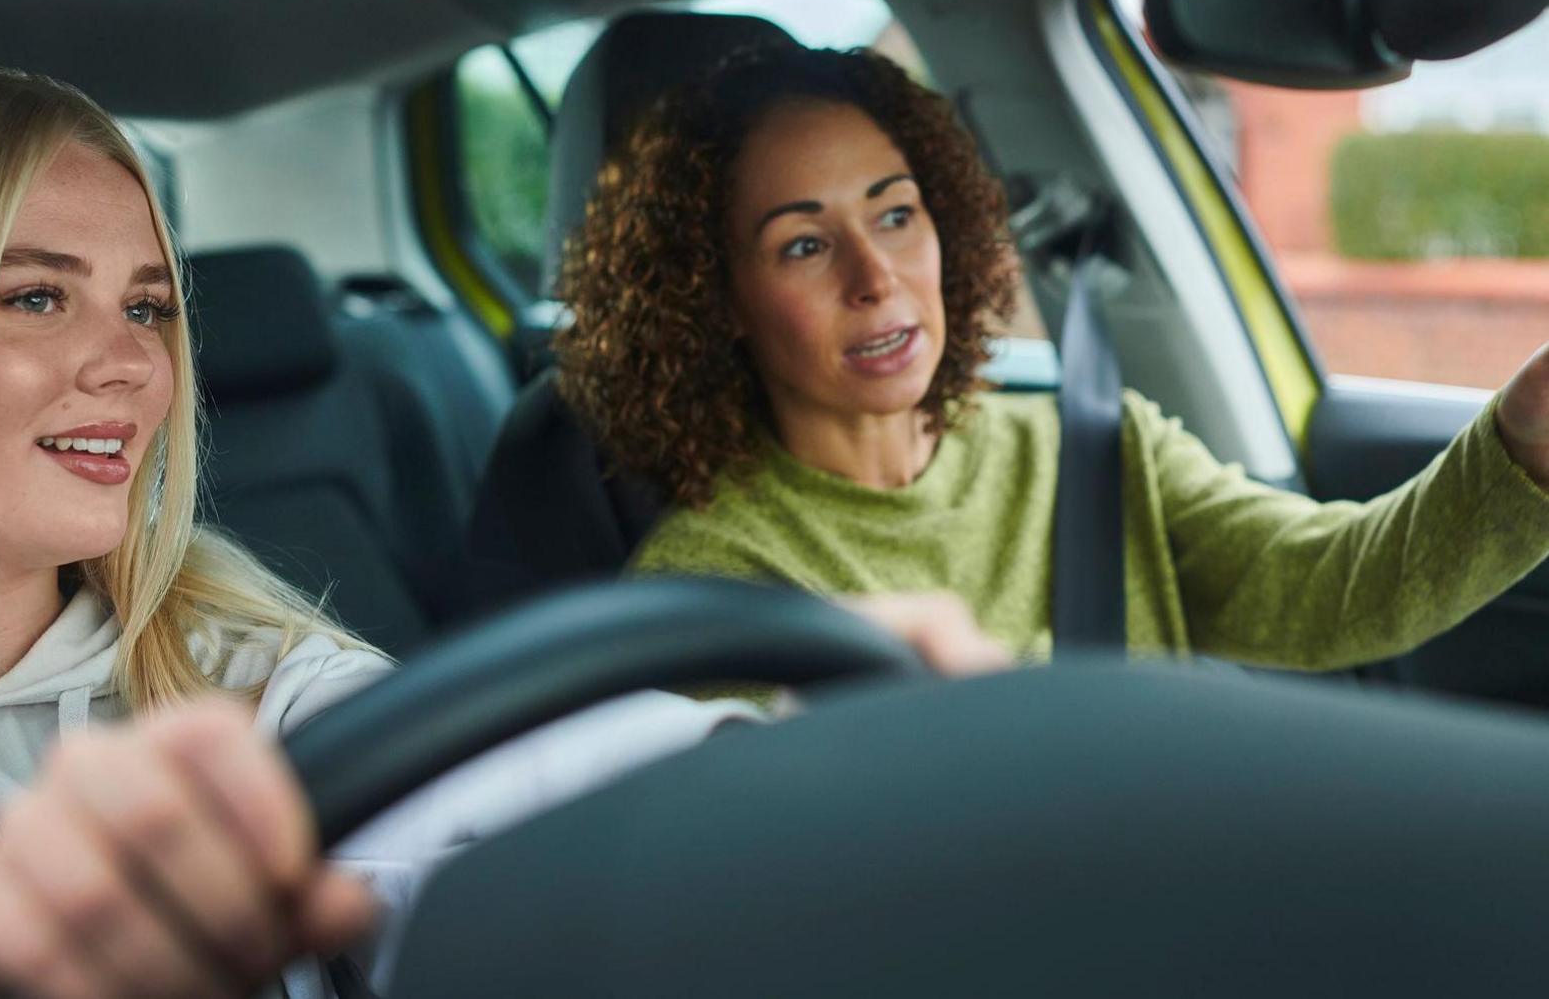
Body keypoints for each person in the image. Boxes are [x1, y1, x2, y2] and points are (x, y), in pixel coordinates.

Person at [0, 63, 1006, 999]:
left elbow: (492, 772)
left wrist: (767, 763)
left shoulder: (226, 651)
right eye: (35, 295)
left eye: (149, 305)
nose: (132, 364)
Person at [555, 43, 1549, 668]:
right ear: (715, 298)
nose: (877, 276)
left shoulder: (1091, 448)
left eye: (897, 214)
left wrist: (1526, 437)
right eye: (803, 244)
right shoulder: (708, 585)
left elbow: (1335, 589)